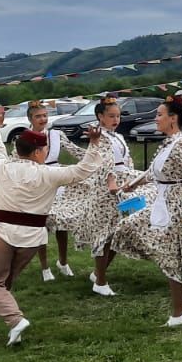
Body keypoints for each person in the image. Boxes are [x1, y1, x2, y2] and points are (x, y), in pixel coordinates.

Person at [0, 105, 106, 346]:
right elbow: (84, 170)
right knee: (3, 283)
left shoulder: (3, 168)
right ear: (39, 152)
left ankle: (15, 319)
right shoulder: (49, 174)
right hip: (32, 238)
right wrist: (93, 144)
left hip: (3, 232)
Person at [112, 101, 182, 327]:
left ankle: (179, 312)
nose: (156, 118)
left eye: (160, 115)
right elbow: (154, 171)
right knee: (129, 227)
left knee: (172, 255)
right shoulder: (168, 144)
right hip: (163, 201)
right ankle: (179, 310)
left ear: (173, 118)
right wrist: (134, 184)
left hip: (177, 205)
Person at [50, 98, 136, 296]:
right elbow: (103, 162)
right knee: (104, 235)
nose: (116, 119)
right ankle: (101, 281)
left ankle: (98, 273)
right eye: (111, 116)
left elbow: (125, 160)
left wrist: (133, 179)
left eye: (118, 116)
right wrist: (111, 181)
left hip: (121, 185)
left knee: (119, 232)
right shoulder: (101, 137)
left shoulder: (117, 137)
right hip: (105, 190)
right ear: (100, 117)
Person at [24, 102, 82, 281]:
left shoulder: (57, 135)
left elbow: (76, 151)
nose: (43, 119)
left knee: (61, 223)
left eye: (44, 115)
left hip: (56, 180)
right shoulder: (25, 137)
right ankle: (44, 267)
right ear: (30, 119)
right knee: (41, 224)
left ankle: (63, 262)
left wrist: (97, 154)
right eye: (38, 116)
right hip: (37, 180)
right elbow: (16, 159)